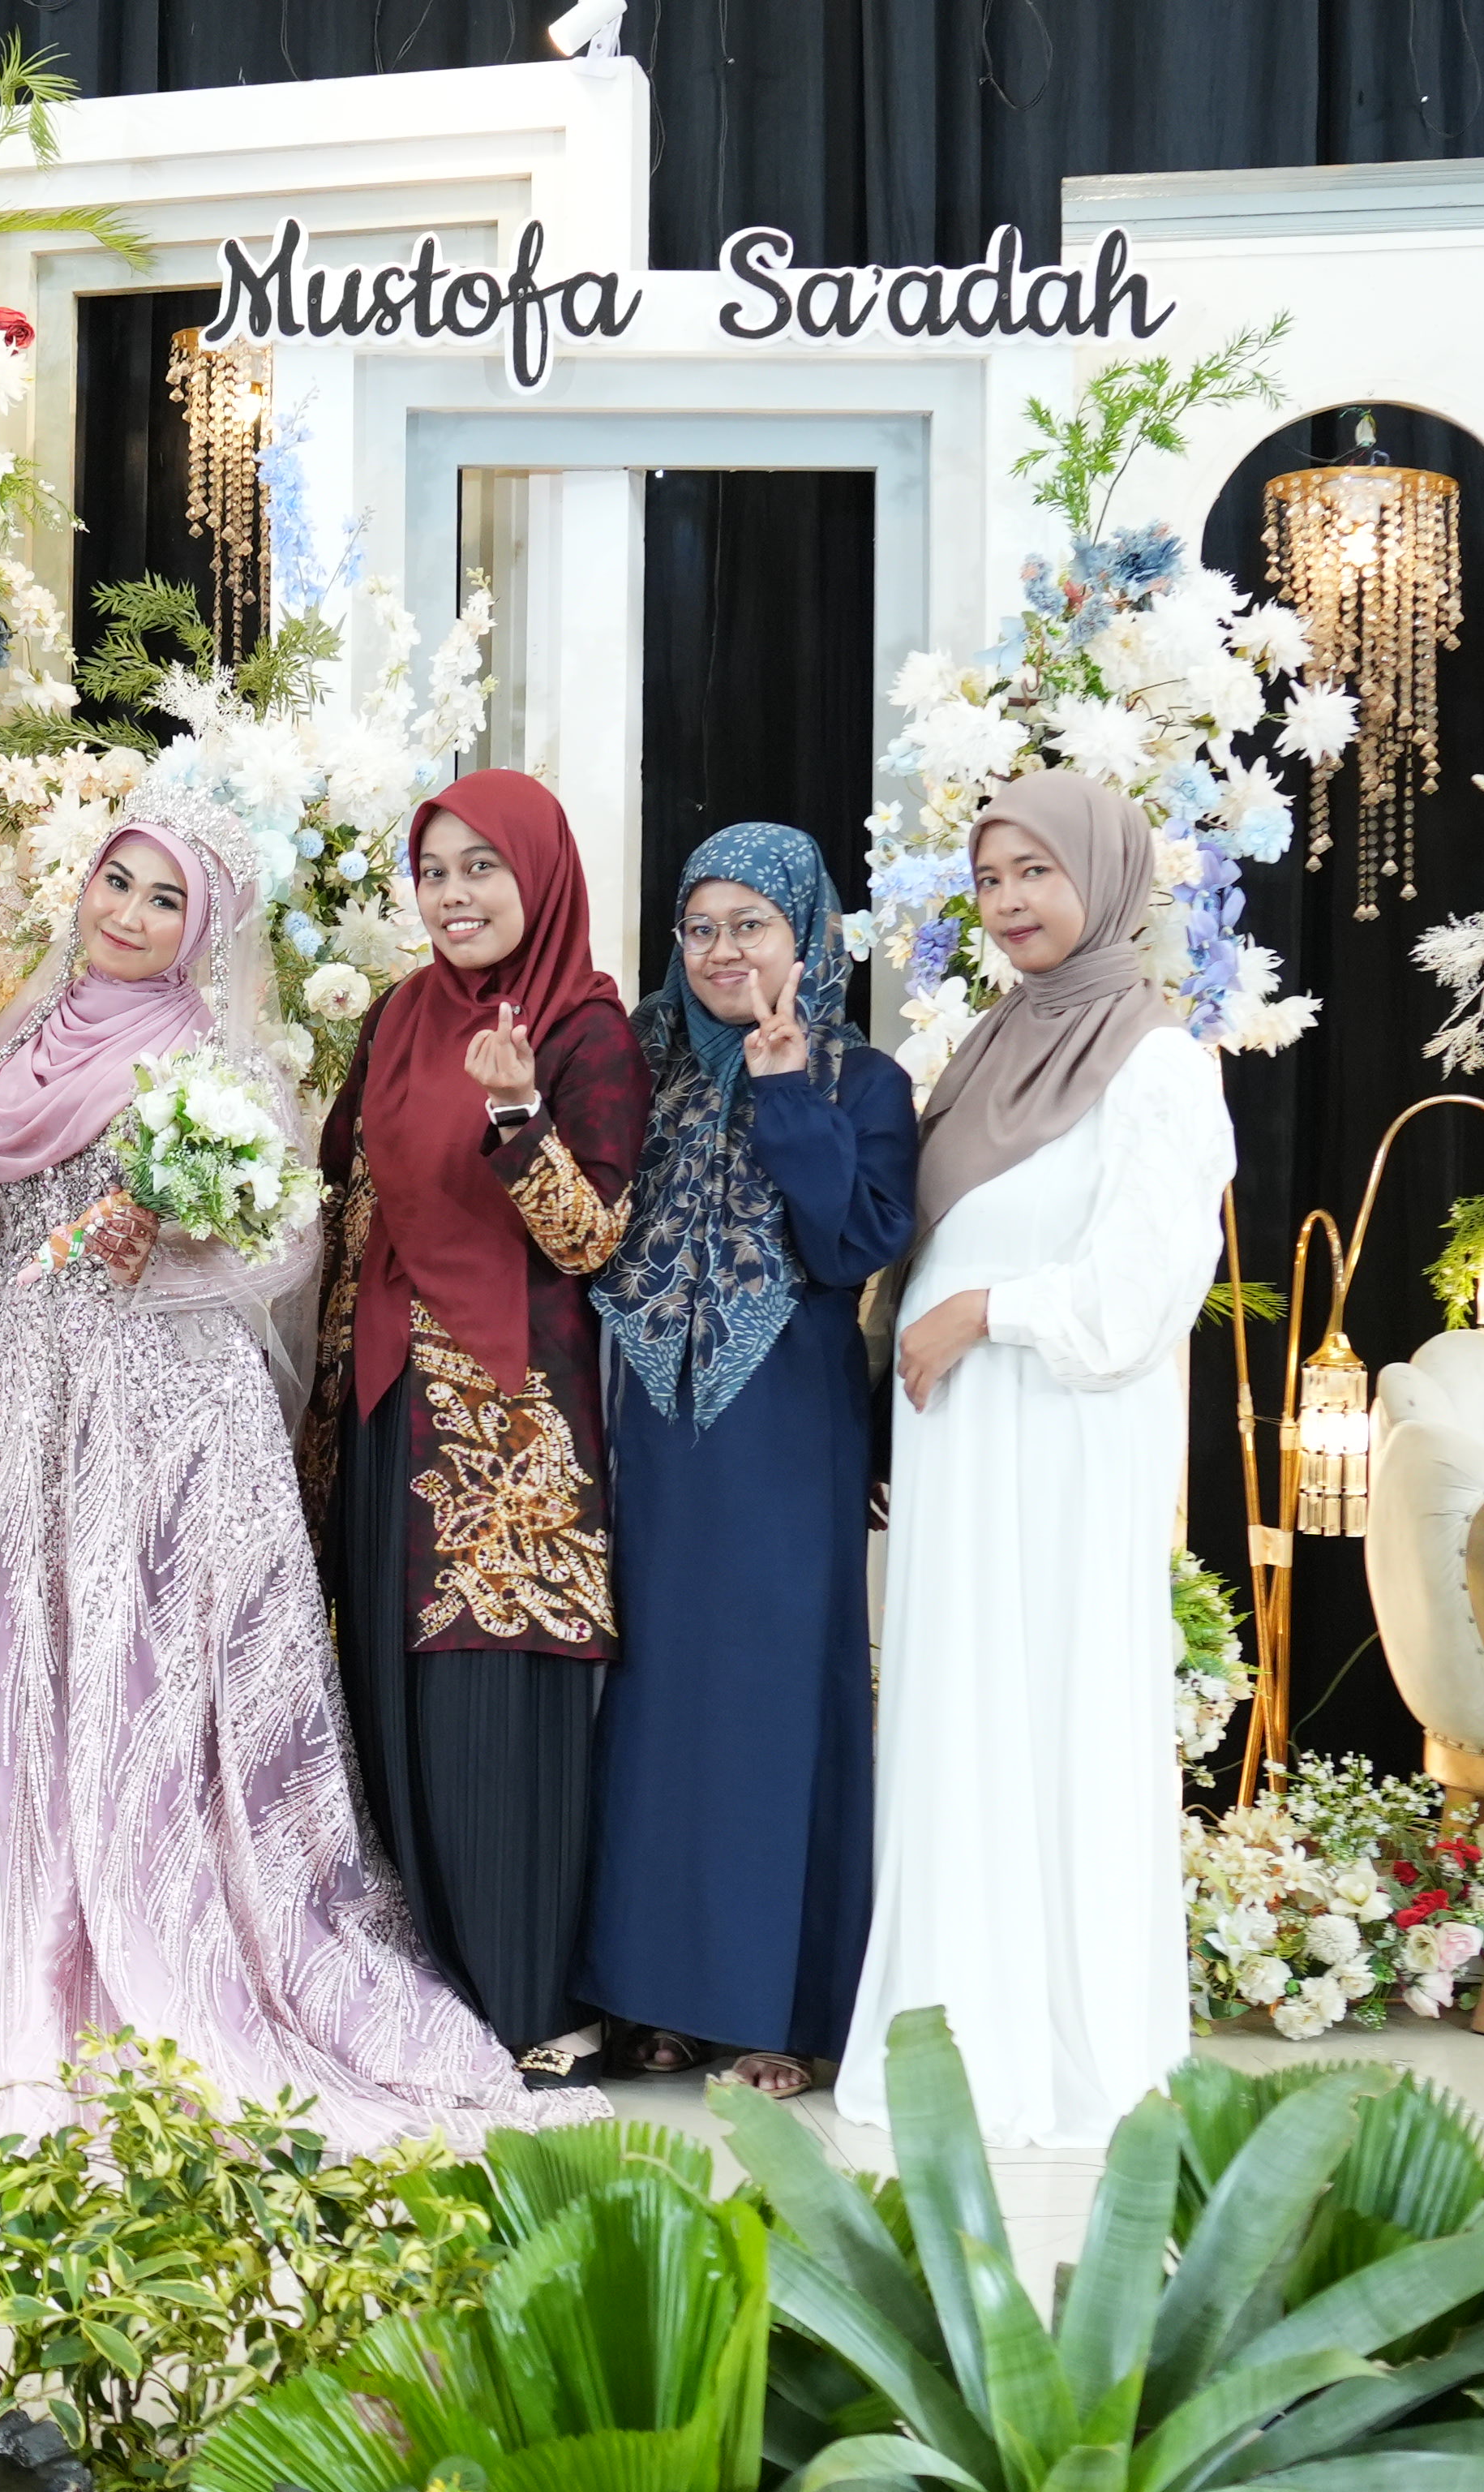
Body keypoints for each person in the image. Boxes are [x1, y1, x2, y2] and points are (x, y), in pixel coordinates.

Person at [0, 797, 594, 2146]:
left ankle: (165, 1931)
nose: (130, 916)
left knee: (148, 1668)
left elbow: (283, 1241)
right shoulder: (21, 1030)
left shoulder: (217, 1058)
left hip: (165, 1402)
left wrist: (176, 1242)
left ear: (202, 931)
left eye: (165, 901)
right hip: (13, 1383)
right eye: (118, 884)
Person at [833, 771, 1233, 2149]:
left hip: (1063, 1445)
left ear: (1103, 878)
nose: (1008, 904)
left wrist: (980, 1314)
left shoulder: (1160, 1063)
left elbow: (1135, 1300)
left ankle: (1065, 2054)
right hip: (965, 1448)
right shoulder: (995, 1044)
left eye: (1035, 874)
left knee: (1054, 1713)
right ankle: (950, 2040)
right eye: (989, 880)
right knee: (961, 1717)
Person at [304, 769, 645, 2088]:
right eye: (434, 871)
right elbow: (339, 1184)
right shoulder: (398, 1015)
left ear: (540, 875)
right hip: (387, 1399)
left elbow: (591, 1237)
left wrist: (517, 1118)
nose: (453, 896)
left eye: (480, 868)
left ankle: (534, 2004)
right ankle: (426, 1998)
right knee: (392, 1700)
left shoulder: (584, 1029)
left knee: (493, 1698)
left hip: (507, 1423)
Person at [580, 824, 916, 2097]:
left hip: (785, 1434)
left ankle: (785, 2011)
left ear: (805, 935)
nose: (725, 952)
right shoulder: (643, 1065)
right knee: (659, 1702)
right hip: (652, 1428)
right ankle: (661, 1997)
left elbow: (851, 1248)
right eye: (702, 927)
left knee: (778, 1700)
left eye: (752, 926)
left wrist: (784, 1094)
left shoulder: (860, 1080)